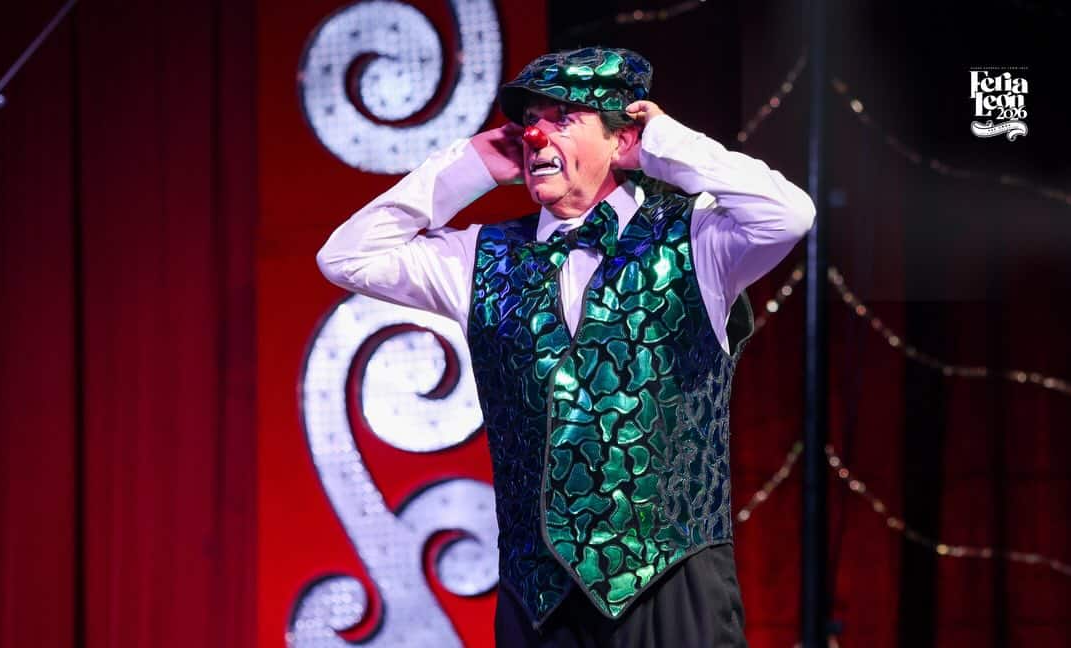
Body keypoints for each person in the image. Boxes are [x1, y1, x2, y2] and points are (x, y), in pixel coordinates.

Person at [318, 46, 815, 647]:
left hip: (669, 579)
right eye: (530, 116)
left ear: (620, 137)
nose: (533, 132)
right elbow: (347, 256)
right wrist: (468, 167)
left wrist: (666, 143)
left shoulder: (698, 238)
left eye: (563, 116)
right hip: (538, 597)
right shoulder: (482, 257)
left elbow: (788, 215)